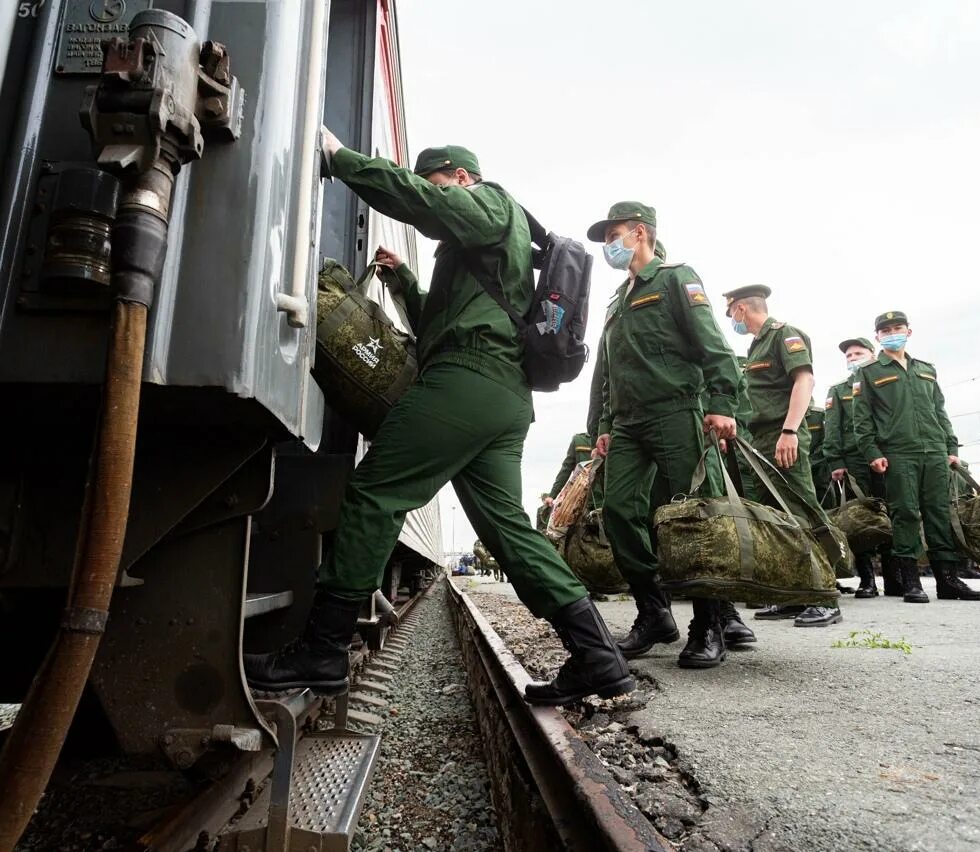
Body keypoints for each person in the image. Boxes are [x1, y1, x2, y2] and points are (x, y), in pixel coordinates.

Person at [244, 138, 634, 705]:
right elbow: (440, 322)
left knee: (376, 493)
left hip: (466, 381)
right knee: (507, 531)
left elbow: (426, 208)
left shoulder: (490, 202)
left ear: (457, 177)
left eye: (435, 184)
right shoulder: (487, 245)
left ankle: (322, 651)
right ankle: (599, 660)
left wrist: (342, 160)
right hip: (500, 396)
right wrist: (403, 282)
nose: (431, 193)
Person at [587, 201, 742, 669]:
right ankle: (653, 613)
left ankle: (709, 623)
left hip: (678, 412)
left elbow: (713, 344)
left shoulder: (676, 278)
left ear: (639, 232)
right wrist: (605, 426)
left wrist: (721, 403)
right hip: (629, 424)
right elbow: (612, 371)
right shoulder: (619, 299)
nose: (608, 247)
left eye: (613, 236)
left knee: (695, 518)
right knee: (617, 510)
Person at [851, 311, 980, 603]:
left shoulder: (926, 369)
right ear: (877, 336)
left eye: (897, 327)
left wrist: (951, 448)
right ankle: (911, 582)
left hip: (935, 451)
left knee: (940, 513)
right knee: (905, 514)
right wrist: (872, 452)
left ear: (908, 331)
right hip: (898, 453)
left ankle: (948, 581)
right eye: (886, 330)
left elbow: (940, 410)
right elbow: (861, 420)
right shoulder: (869, 372)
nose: (892, 333)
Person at [724, 285, 841, 627]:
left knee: (801, 510)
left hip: (782, 434)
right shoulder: (757, 344)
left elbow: (804, 381)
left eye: (731, 313)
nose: (732, 319)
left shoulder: (784, 335)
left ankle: (825, 596)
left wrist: (789, 431)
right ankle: (792, 595)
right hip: (761, 438)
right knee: (777, 517)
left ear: (742, 309)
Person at [823, 337, 897, 598]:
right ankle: (868, 580)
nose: (852, 358)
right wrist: (836, 460)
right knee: (860, 519)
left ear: (872, 354)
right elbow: (832, 429)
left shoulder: (885, 383)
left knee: (892, 515)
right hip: (855, 461)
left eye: (858, 353)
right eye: (849, 355)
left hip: (889, 456)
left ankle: (894, 578)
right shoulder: (838, 389)